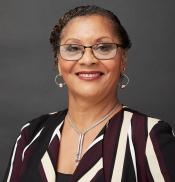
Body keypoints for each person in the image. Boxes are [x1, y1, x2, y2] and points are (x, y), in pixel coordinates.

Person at [4, 5, 175, 182]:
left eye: (103, 47)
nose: (88, 59)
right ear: (58, 62)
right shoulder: (31, 135)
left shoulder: (149, 136)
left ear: (122, 59)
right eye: (73, 48)